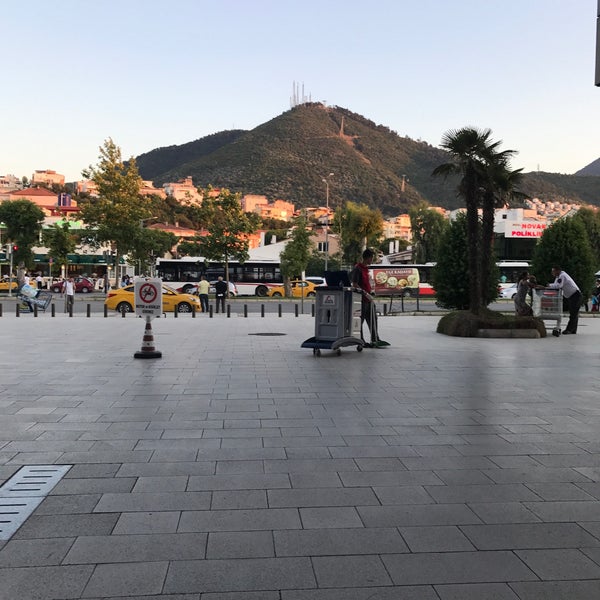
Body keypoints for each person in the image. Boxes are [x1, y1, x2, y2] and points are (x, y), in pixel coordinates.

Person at [350, 248, 389, 348]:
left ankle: (375, 338)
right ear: (367, 258)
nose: (372, 260)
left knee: (373, 319)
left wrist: (370, 291)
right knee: (360, 320)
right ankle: (360, 340)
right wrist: (364, 293)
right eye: (372, 258)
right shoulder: (357, 269)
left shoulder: (366, 269)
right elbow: (354, 284)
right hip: (361, 300)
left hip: (368, 299)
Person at [545, 266, 582, 335]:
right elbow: (556, 285)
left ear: (558, 271)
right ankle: (573, 330)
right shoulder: (558, 277)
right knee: (573, 313)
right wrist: (549, 286)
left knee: (573, 313)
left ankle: (569, 329)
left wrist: (549, 285)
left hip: (575, 295)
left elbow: (559, 286)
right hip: (572, 295)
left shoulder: (562, 276)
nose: (552, 273)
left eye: (553, 271)